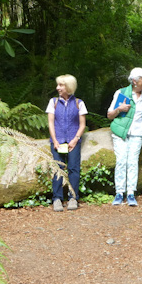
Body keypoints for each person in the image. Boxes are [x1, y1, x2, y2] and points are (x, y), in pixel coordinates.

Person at [107, 67, 142, 207]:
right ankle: (119, 193)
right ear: (134, 81)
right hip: (120, 133)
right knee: (121, 161)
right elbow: (109, 115)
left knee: (133, 162)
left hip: (138, 134)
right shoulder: (121, 93)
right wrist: (119, 109)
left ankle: (131, 193)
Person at [46, 75, 87, 212]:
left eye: (61, 85)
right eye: (58, 85)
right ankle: (57, 198)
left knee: (74, 169)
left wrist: (75, 139)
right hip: (57, 142)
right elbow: (51, 122)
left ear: (68, 87)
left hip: (73, 141)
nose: (58, 87)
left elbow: (82, 125)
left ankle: (73, 198)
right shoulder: (53, 102)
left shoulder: (79, 103)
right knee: (58, 169)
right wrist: (55, 140)